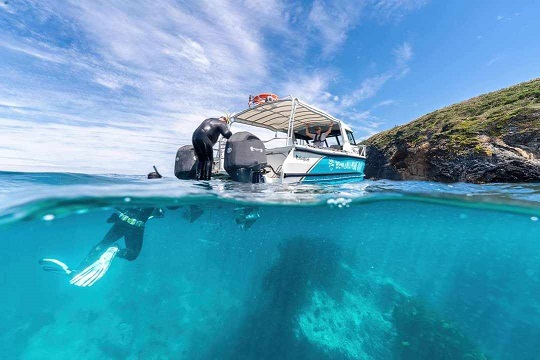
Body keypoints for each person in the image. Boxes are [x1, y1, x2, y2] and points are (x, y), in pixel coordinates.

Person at [39, 169, 165, 287]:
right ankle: (115, 251)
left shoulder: (135, 189)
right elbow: (161, 211)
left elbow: (118, 201)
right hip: (136, 227)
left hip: (120, 221)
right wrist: (156, 212)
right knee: (132, 255)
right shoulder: (157, 194)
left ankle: (79, 269)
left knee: (102, 245)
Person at [192, 116, 232, 180]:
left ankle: (198, 177)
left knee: (201, 160)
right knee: (209, 160)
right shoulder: (221, 123)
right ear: (224, 121)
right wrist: (233, 137)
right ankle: (207, 178)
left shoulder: (209, 120)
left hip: (195, 137)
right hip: (204, 137)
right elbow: (226, 133)